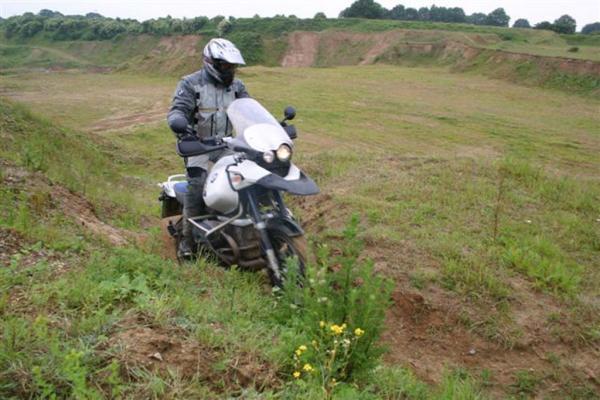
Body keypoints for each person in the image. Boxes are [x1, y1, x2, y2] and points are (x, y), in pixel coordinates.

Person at [167, 38, 250, 259]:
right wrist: (180, 124)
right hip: (198, 146)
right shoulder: (190, 83)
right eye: (225, 66)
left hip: (227, 144)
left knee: (248, 178)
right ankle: (187, 242)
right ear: (211, 63)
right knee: (198, 185)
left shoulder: (238, 87)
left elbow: (249, 109)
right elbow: (178, 110)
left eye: (232, 66)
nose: (229, 70)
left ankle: (245, 228)